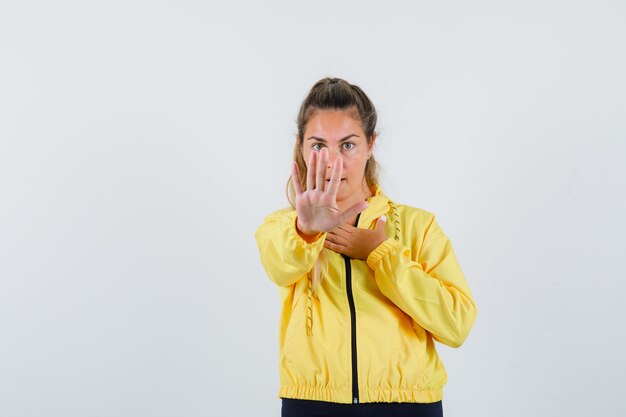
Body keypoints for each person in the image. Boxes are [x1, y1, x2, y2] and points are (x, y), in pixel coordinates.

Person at [254, 77, 478, 417]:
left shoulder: (418, 226)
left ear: (371, 144)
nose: (332, 162)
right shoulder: (282, 228)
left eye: (347, 145)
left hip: (408, 405)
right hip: (312, 405)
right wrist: (306, 230)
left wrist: (382, 254)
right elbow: (279, 266)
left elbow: (457, 324)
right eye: (318, 146)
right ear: (301, 146)